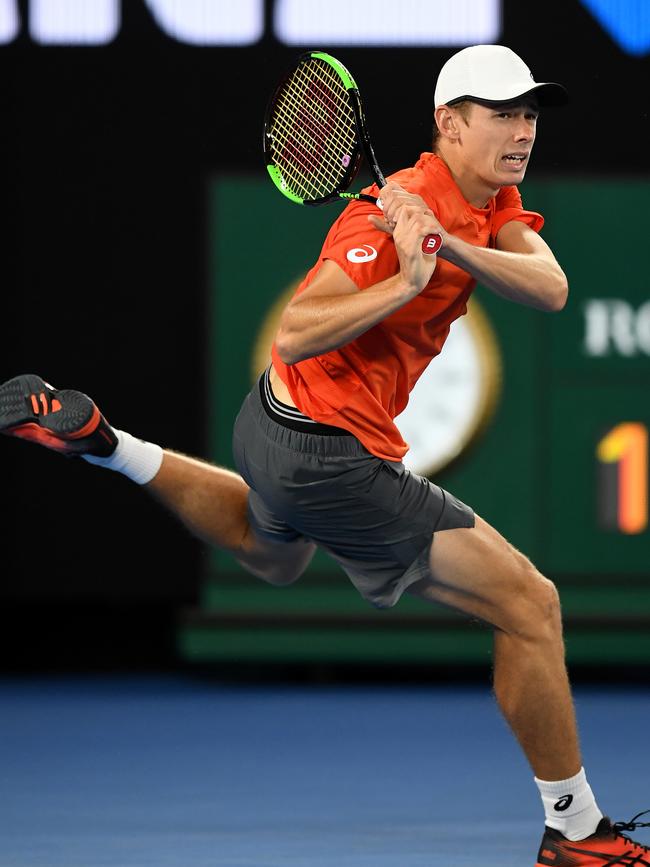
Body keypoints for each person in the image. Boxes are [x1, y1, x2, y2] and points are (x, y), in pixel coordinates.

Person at [1, 44, 648, 866]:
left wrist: (447, 247)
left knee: (272, 558)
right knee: (530, 604)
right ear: (449, 125)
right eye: (502, 114)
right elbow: (297, 327)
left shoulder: (486, 203)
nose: (522, 130)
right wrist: (404, 283)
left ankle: (107, 444)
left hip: (270, 427)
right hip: (328, 452)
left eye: (529, 114)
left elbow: (549, 286)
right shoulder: (388, 212)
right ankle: (577, 832)